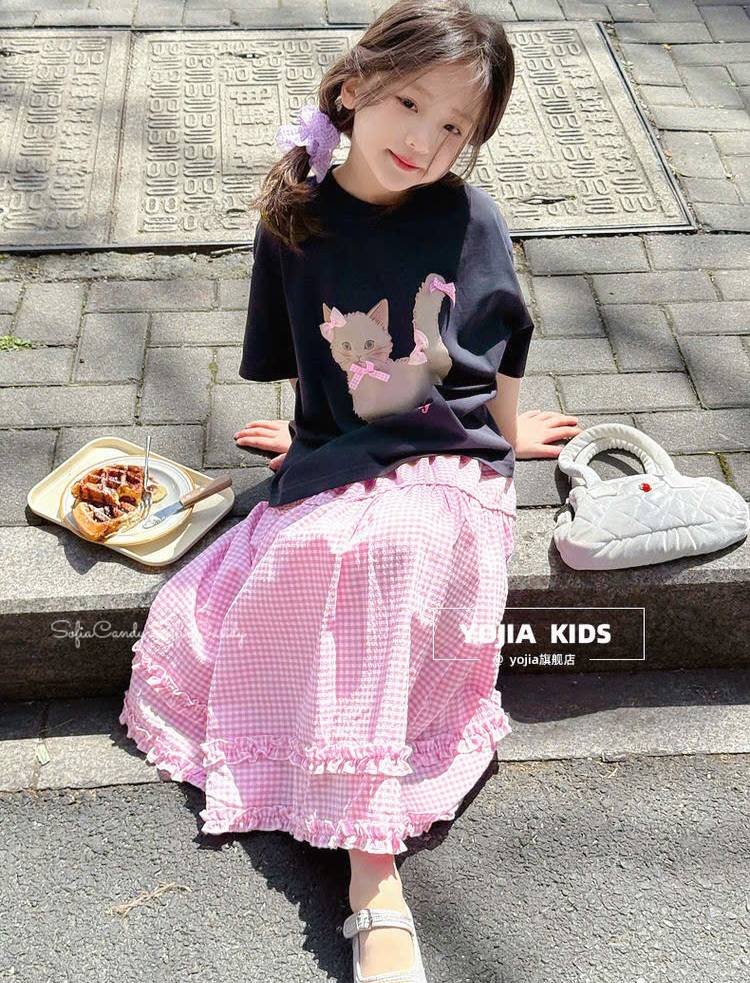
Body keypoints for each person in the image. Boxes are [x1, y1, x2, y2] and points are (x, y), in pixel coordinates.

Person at [119, 2, 582, 980]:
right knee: (301, 558)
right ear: (354, 86)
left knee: (388, 553)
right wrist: (306, 435)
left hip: (450, 462)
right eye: (409, 103)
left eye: (454, 125)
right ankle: (345, 801)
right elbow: (305, 353)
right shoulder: (295, 221)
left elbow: (505, 338)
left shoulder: (469, 217)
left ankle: (375, 880)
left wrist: (509, 434)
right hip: (346, 454)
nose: (425, 140)